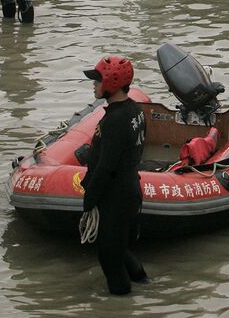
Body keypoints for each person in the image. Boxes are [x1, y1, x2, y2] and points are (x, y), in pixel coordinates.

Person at [81, 55, 147, 295]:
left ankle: (121, 303)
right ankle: (144, 284)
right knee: (120, 249)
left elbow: (106, 168)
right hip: (130, 192)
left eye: (97, 80)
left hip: (116, 198)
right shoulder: (135, 111)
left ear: (111, 82)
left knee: (109, 257)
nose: (93, 84)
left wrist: (89, 199)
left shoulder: (115, 121)